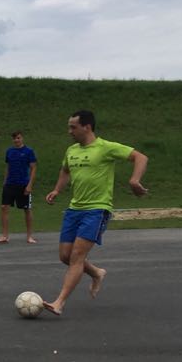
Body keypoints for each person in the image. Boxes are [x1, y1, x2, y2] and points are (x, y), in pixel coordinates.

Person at [43, 110, 148, 316]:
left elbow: (140, 157)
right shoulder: (71, 150)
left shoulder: (105, 147)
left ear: (87, 127)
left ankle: (59, 302)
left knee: (77, 256)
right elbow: (65, 170)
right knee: (65, 256)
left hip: (97, 209)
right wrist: (57, 190)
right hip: (74, 209)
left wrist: (134, 180)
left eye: (73, 127)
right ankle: (97, 273)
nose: (69, 131)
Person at [0, 130, 38, 244]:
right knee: (4, 207)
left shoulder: (28, 151)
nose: (16, 140)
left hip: (23, 184)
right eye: (14, 138)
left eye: (18, 138)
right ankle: (5, 235)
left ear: (22, 138)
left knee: (27, 209)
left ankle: (29, 236)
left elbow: (33, 168)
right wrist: (5, 182)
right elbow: (8, 167)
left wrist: (30, 185)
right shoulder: (9, 151)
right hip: (10, 184)